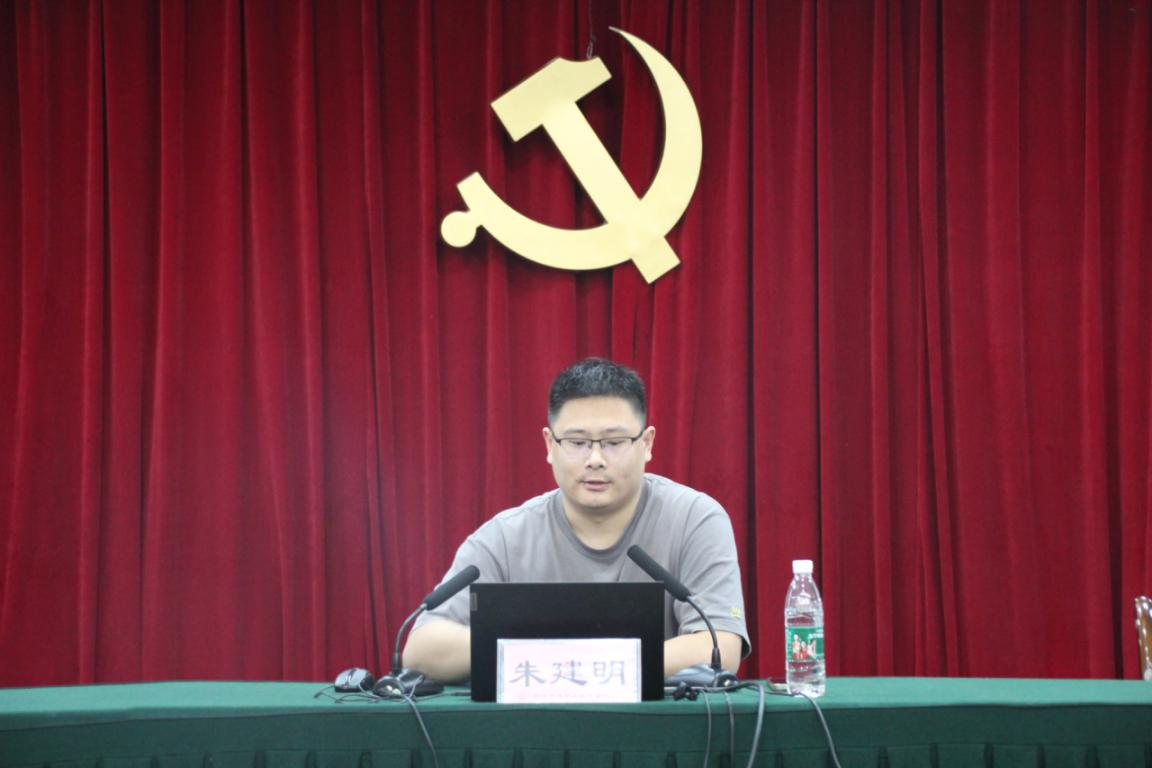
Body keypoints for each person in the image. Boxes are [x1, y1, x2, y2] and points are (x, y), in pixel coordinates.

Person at [402, 357, 749, 682]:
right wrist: (562, 659)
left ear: (646, 443)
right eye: (577, 442)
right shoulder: (506, 538)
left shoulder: (694, 520)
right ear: (549, 445)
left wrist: (568, 662)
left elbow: (719, 648)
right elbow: (421, 649)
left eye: (614, 442)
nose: (595, 458)